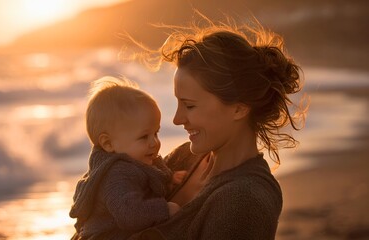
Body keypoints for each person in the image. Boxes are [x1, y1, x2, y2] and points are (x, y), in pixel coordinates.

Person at [129, 17, 307, 240]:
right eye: (178, 103)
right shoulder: (185, 158)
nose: (176, 119)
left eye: (190, 105)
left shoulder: (245, 201)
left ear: (239, 109)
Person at [69, 77, 183, 240]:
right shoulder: (115, 176)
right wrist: (164, 209)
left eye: (156, 133)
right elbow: (129, 214)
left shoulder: (132, 162)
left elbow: (148, 180)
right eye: (144, 137)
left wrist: (169, 178)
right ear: (108, 143)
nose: (155, 143)